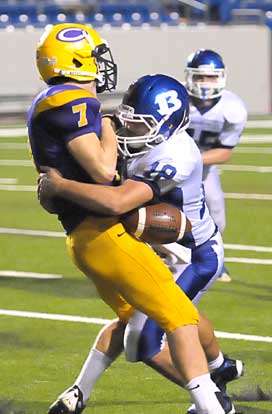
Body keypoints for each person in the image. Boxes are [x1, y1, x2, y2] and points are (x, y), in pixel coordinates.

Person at [38, 73, 238, 414]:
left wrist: (60, 186)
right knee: (145, 316)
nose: (128, 132)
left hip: (192, 255)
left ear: (166, 125)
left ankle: (214, 401)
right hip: (158, 251)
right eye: (128, 122)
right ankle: (219, 368)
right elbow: (107, 126)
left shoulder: (176, 153)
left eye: (139, 126)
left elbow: (118, 203)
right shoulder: (143, 137)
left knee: (142, 339)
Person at [185, 49, 248, 282]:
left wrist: (192, 159)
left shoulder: (233, 108)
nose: (205, 83)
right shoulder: (178, 99)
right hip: (169, 162)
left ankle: (213, 260)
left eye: (211, 77)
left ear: (221, 77)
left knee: (216, 213)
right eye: (200, 77)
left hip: (203, 167)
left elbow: (224, 153)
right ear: (189, 76)